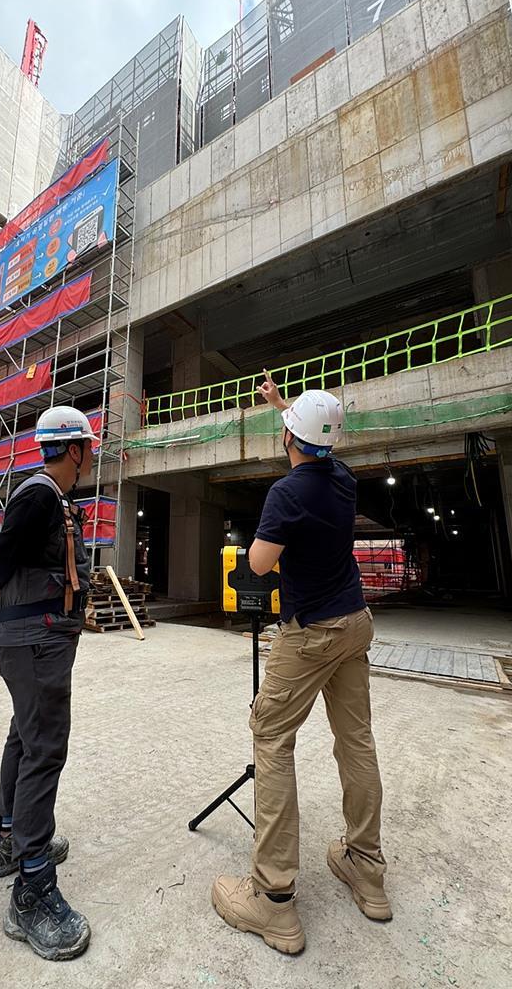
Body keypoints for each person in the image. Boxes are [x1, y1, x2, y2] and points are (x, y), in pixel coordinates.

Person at [211, 373, 390, 955]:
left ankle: (273, 900)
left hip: (310, 629)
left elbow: (260, 565)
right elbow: (314, 440)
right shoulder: (342, 478)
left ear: (291, 440)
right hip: (355, 622)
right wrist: (281, 406)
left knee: (271, 735)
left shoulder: (286, 494)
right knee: (356, 741)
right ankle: (366, 868)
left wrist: (249, 558)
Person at [0, 405, 98, 962]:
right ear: (73, 449)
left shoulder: (52, 498)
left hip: (36, 639)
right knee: (45, 748)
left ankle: (9, 838)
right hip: (34, 641)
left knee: (25, 739)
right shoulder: (38, 495)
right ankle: (31, 889)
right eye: (88, 447)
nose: (92, 455)